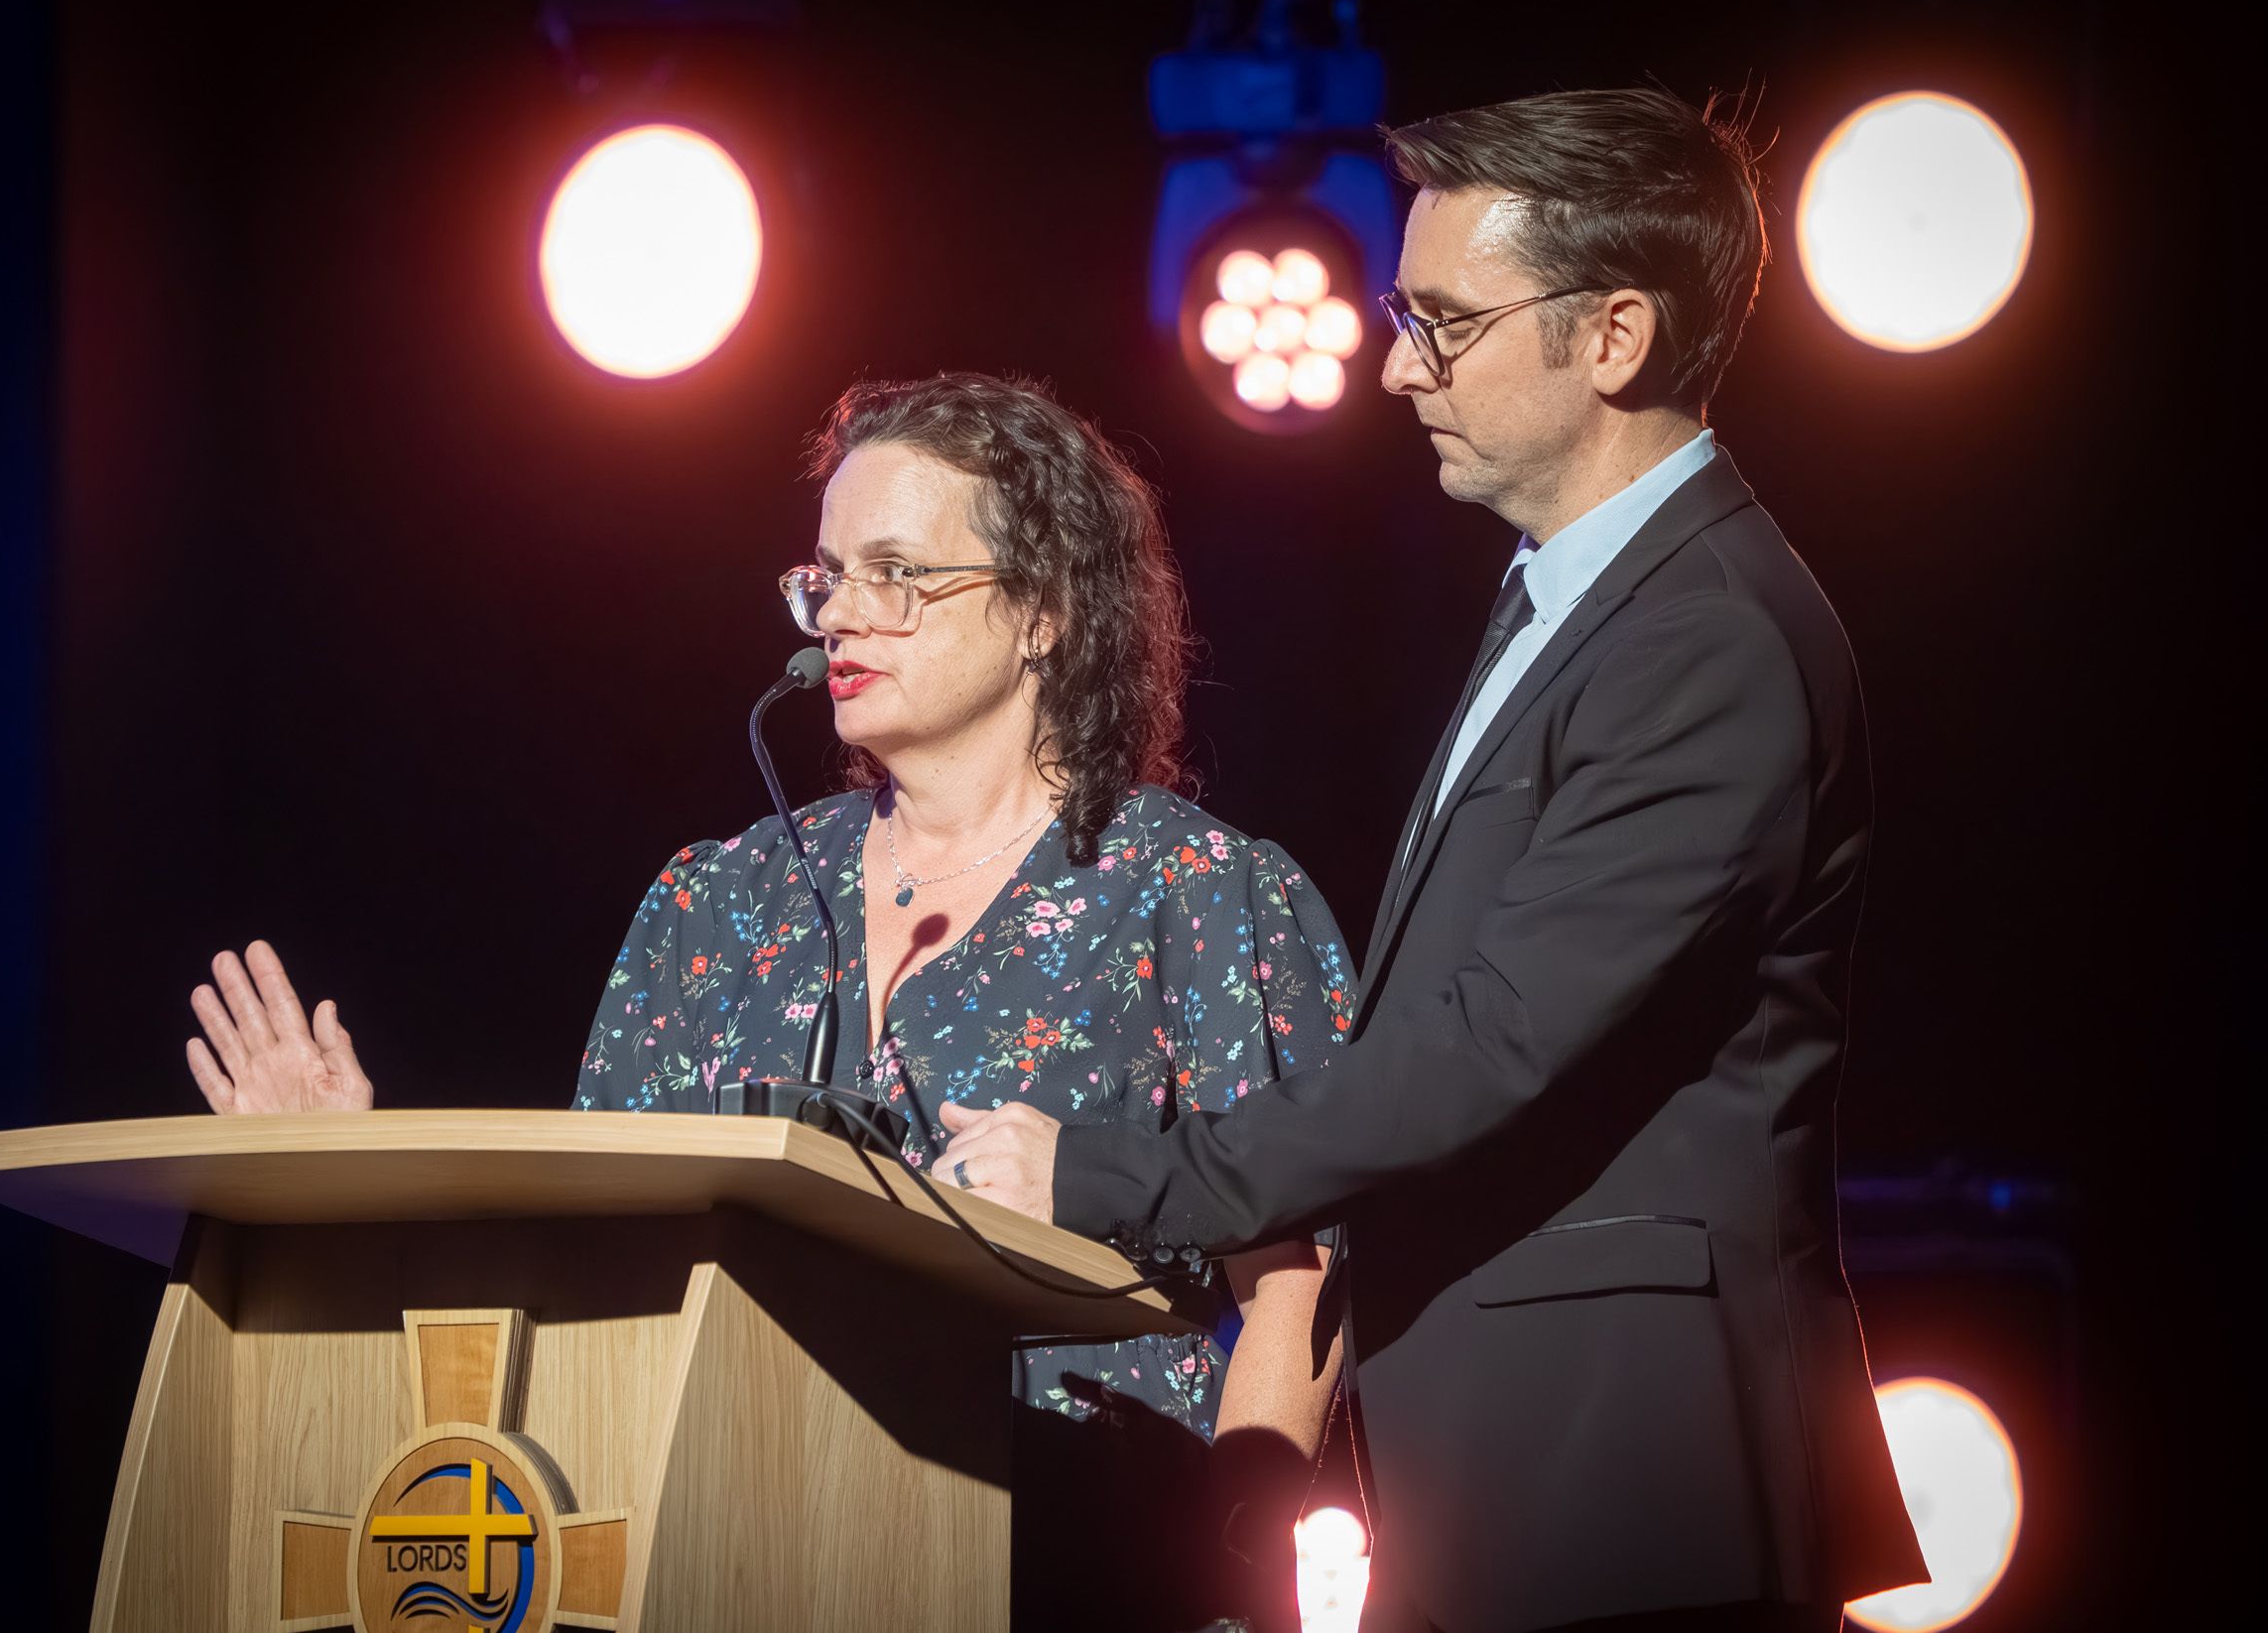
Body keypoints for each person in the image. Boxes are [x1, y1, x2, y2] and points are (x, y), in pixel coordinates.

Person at [933, 90, 1932, 1633]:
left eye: (1445, 323)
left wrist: (1109, 1170)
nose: (1399, 365)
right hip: (1520, 1455)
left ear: (1614, 337)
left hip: (1631, 1471)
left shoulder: (1707, 638)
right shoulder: (1587, 599)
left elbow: (1486, 1042)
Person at [185, 371, 1357, 1631]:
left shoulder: (1194, 888)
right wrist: (349, 1184)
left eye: (895, 575)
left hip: (1087, 1558)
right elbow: (591, 1257)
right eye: (826, 576)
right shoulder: (719, 902)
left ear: (1044, 612)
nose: (840, 613)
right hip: (738, 1547)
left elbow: (1299, 1276)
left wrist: (1231, 1560)